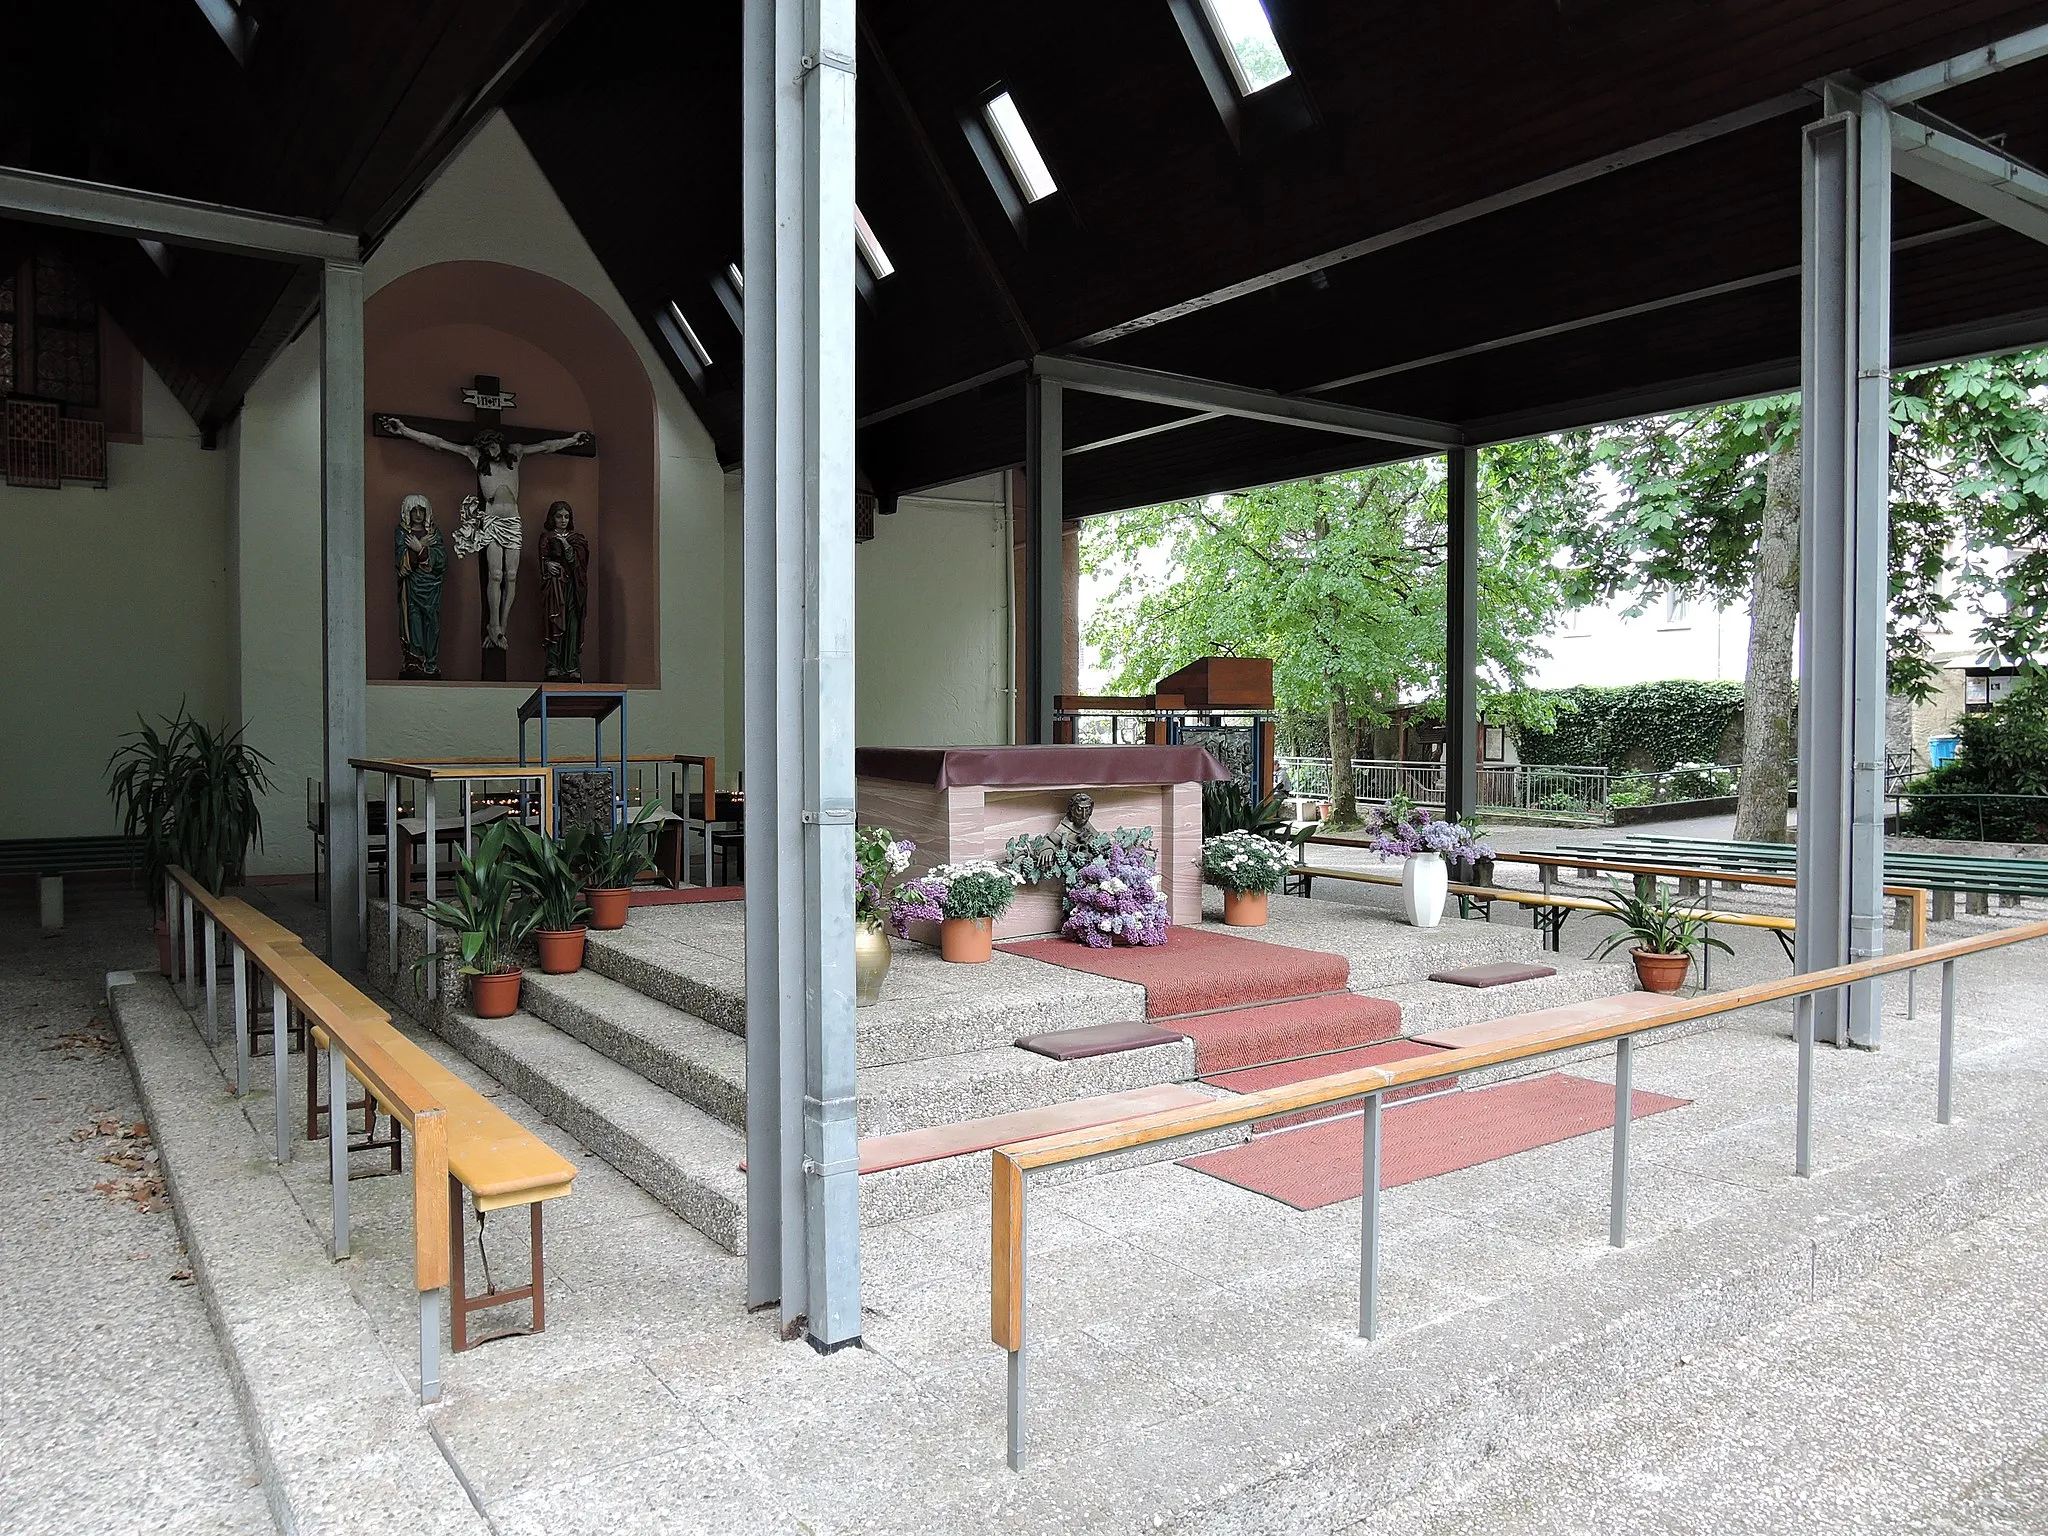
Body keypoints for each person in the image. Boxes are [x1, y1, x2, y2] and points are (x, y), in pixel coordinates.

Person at [376, 415, 592, 650]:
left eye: (494, 445)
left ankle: (503, 625)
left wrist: (572, 440)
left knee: (511, 576)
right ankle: (493, 624)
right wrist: (405, 430)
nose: (491, 450)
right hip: (491, 520)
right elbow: (438, 443)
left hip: (512, 520)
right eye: (487, 447)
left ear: (500, 442)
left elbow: (546, 446)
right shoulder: (475, 456)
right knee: (496, 575)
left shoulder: (516, 454)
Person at [539, 501, 591, 681]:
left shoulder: (578, 539)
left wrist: (565, 544)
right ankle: (553, 664)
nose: (563, 520)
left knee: (572, 625)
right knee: (555, 623)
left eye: (566, 517)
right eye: (559, 516)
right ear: (552, 517)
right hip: (555, 587)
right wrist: (547, 565)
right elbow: (543, 560)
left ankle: (571, 665)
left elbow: (579, 563)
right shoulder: (546, 537)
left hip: (573, 588)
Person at [394, 494, 445, 678]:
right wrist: (419, 548)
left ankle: (431, 662)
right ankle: (415, 661)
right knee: (413, 621)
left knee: (432, 624)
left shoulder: (434, 533)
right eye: (413, 510)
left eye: (421, 510)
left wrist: (420, 549)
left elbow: (441, 561)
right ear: (407, 512)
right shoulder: (402, 533)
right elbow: (401, 562)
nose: (417, 514)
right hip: (412, 588)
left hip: (432, 588)